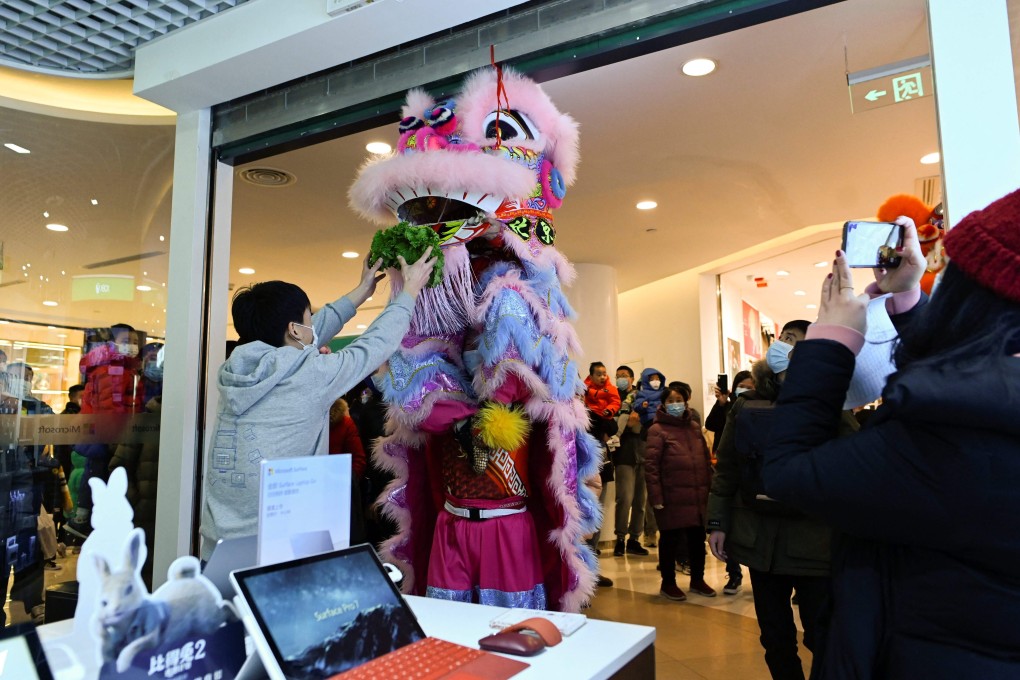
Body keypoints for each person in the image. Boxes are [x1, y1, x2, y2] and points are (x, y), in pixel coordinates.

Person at [763, 197, 1020, 678]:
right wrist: (906, 300)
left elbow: (789, 470)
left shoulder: (950, 438)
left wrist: (830, 341)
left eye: (949, 278)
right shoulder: (991, 409)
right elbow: (959, 380)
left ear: (972, 300)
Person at [199, 249, 436, 560]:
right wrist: (409, 293)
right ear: (295, 330)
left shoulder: (236, 370)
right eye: (308, 316)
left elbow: (302, 339)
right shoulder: (309, 374)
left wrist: (361, 292)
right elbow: (373, 345)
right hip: (275, 547)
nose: (313, 324)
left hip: (218, 544)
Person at [708, 319, 858, 680]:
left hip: (814, 544)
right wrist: (717, 523)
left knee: (821, 635)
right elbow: (726, 470)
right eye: (786, 340)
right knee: (775, 637)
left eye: (800, 344)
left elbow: (852, 463)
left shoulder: (832, 403)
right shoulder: (746, 406)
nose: (789, 348)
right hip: (760, 543)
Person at [645, 384, 715, 601]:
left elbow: (704, 459)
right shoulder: (657, 430)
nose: (676, 404)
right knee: (670, 540)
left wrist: (709, 489)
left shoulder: (694, 428)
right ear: (663, 405)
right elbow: (651, 467)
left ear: (686, 402)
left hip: (696, 495)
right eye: (671, 401)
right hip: (671, 497)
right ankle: (668, 583)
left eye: (679, 400)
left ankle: (697, 579)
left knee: (696, 539)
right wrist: (656, 497)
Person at [704, 369, 754, 595]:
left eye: (751, 386)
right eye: (743, 386)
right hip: (727, 471)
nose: (747, 390)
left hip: (750, 473)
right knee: (729, 524)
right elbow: (712, 424)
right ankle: (733, 573)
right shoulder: (728, 407)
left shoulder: (758, 407)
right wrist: (722, 404)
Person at [611, 365, 649, 557]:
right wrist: (628, 425)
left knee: (640, 500)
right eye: (618, 376)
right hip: (624, 454)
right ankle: (620, 539)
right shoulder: (613, 399)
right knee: (624, 499)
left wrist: (636, 423)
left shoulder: (642, 398)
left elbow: (644, 425)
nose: (621, 379)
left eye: (624, 376)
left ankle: (635, 539)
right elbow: (613, 427)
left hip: (642, 453)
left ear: (632, 379)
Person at [328, 397, 367, 543]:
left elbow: (359, 459)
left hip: (340, 495)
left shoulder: (344, 423)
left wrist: (347, 484)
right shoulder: (305, 424)